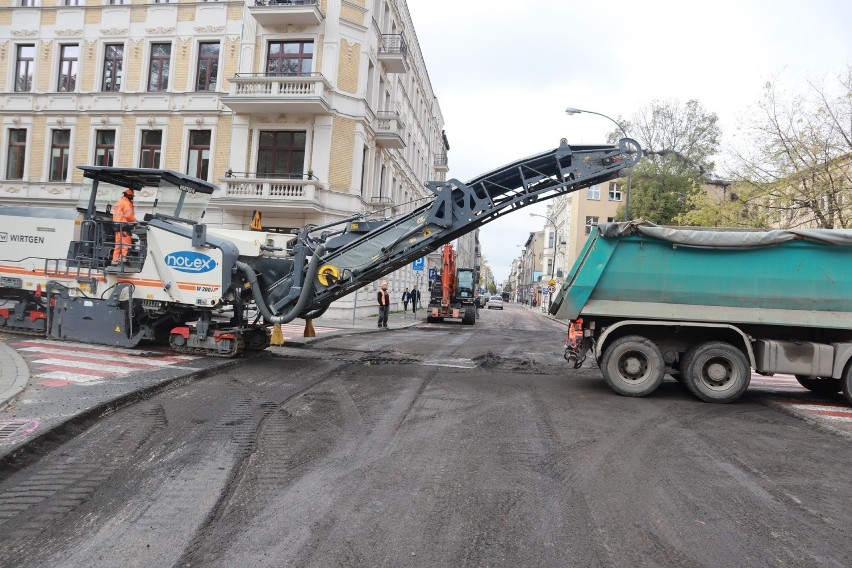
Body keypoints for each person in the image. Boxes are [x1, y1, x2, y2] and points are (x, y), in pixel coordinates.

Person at [112, 188, 137, 264]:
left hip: (117, 226)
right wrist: (136, 222)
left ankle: (115, 261)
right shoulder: (127, 203)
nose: (132, 198)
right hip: (124, 227)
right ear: (129, 196)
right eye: (132, 196)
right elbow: (129, 215)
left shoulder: (118, 203)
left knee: (118, 245)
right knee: (126, 245)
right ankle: (124, 260)